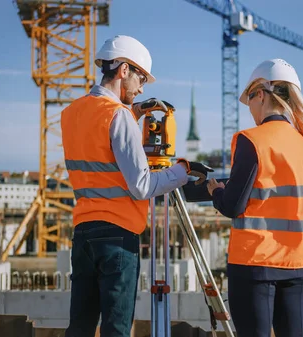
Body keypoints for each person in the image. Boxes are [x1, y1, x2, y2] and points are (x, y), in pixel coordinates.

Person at [60, 35, 213, 337]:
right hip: (117, 234)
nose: (142, 87)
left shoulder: (71, 113)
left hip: (83, 233)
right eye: (141, 77)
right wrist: (182, 171)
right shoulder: (119, 116)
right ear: (124, 70)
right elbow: (142, 185)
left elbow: (100, 146)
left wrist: (136, 111)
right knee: (116, 328)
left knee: (80, 324)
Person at [206, 58, 303, 337]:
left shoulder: (252, 139)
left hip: (254, 265)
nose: (250, 111)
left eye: (249, 101)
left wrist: (216, 191)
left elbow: (233, 205)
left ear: (260, 94)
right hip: (297, 264)